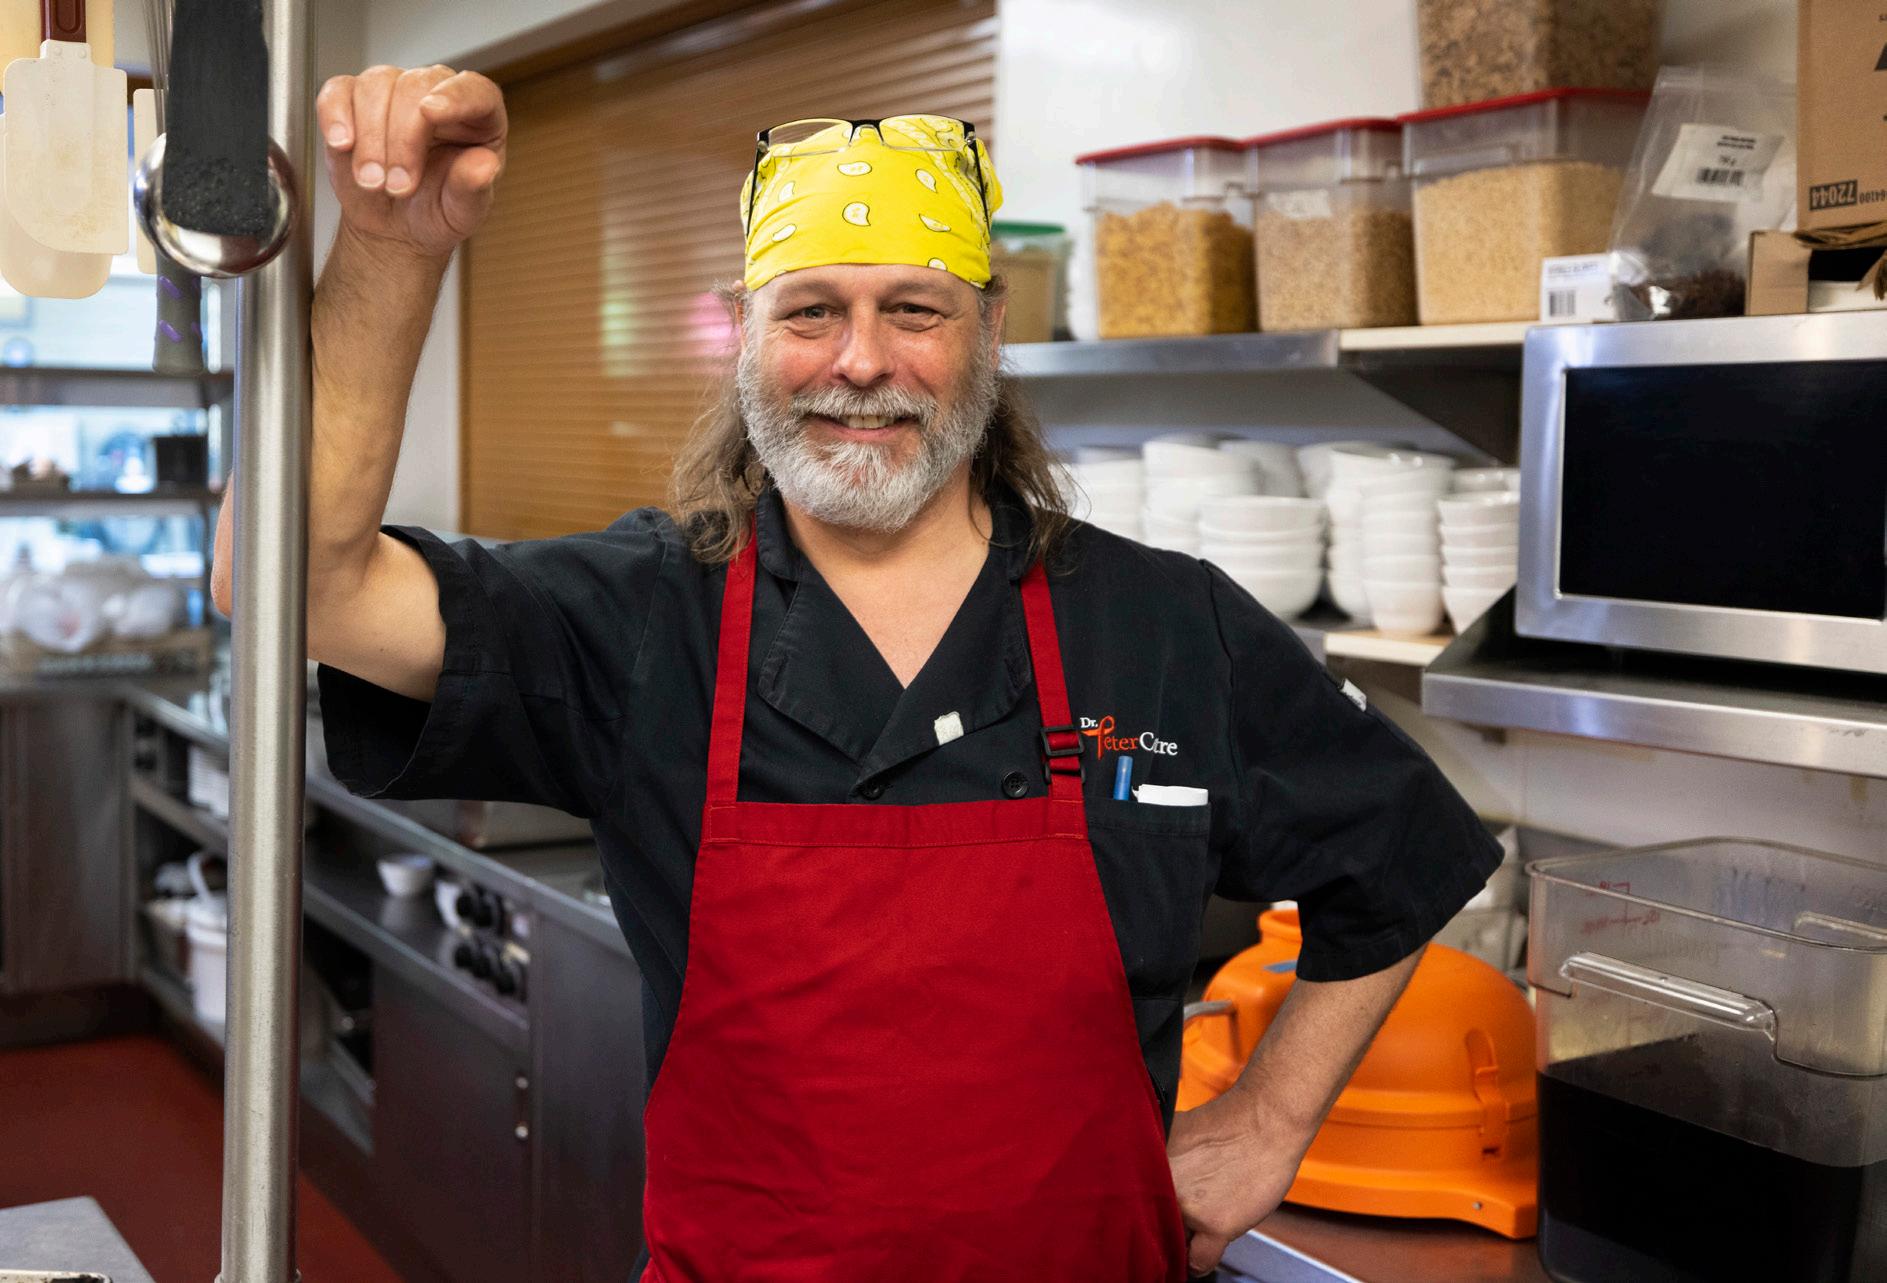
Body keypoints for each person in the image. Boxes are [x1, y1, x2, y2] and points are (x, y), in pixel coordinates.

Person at [214, 64, 1502, 1282]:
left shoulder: (1164, 625)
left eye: (915, 310)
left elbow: (1399, 849)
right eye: (811, 310)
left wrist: (1269, 1122)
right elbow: (293, 581)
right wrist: (394, 245)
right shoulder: (645, 616)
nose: (863, 362)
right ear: (743, 333)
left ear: (989, 330)